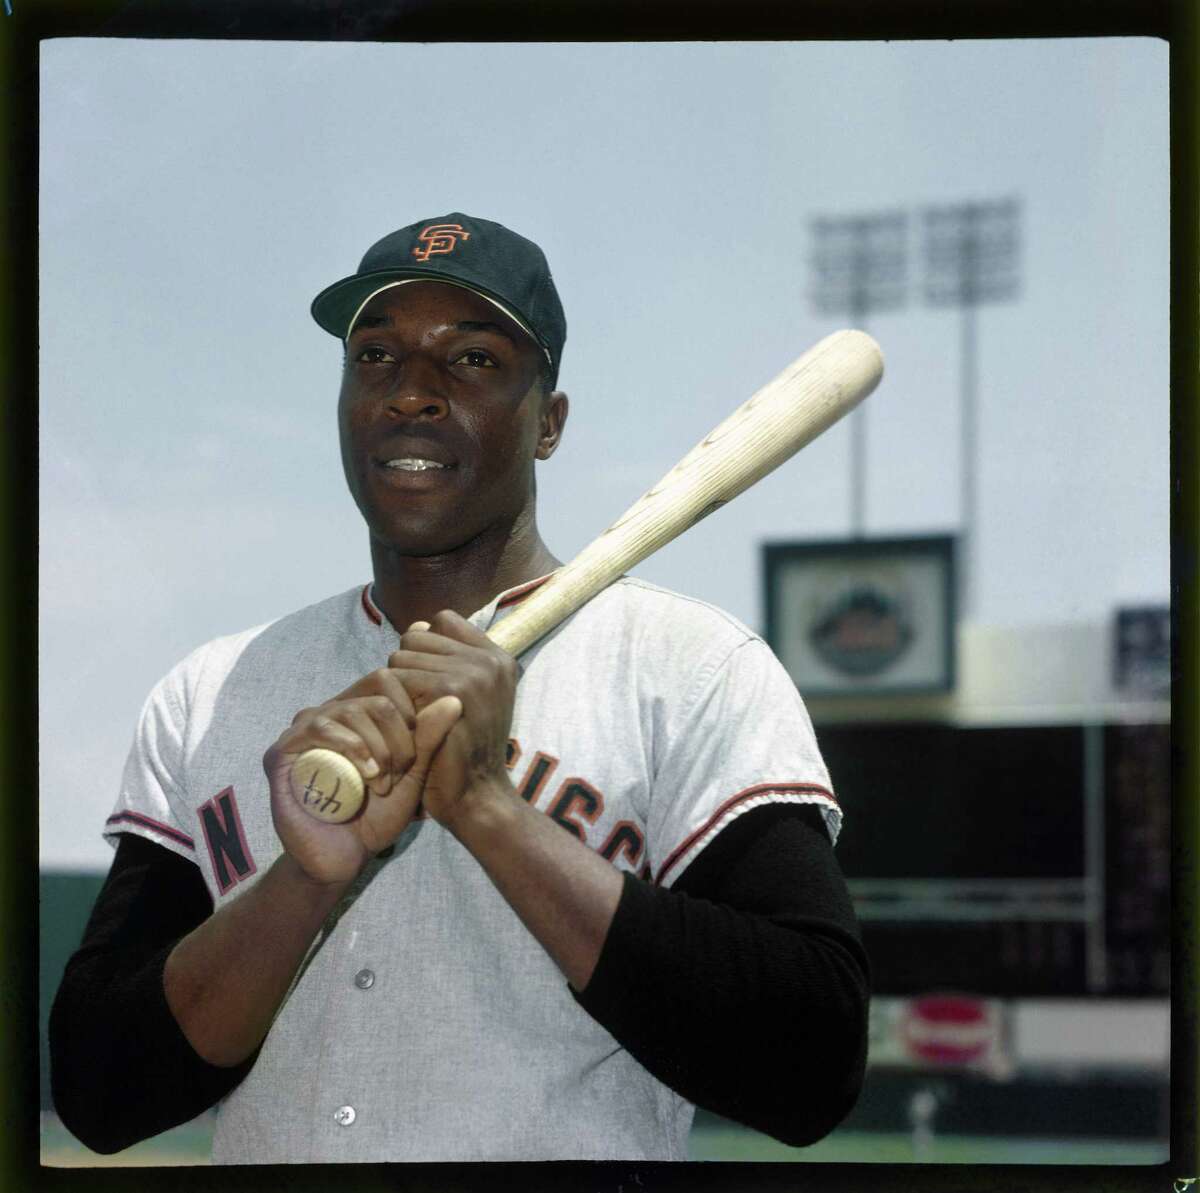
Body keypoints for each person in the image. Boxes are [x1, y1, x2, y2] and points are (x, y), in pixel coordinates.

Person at [49, 212, 869, 1163]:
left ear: (548, 422)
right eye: (377, 357)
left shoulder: (689, 669)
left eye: (472, 360)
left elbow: (810, 1064)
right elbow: (100, 1089)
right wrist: (306, 881)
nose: (412, 394)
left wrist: (487, 808)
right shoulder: (212, 691)